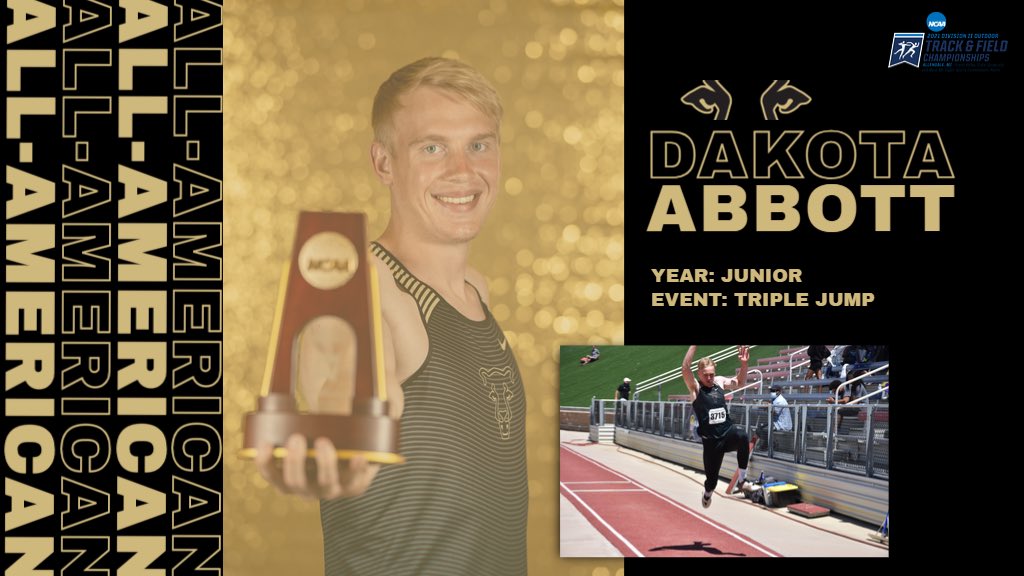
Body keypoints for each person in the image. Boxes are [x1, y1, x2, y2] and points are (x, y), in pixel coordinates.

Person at [256, 57, 526, 575]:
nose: (463, 171)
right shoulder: (365, 288)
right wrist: (333, 447)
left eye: (479, 144)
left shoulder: (474, 290)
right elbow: (345, 376)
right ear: (383, 164)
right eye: (432, 148)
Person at [682, 345, 752, 509]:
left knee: (742, 436)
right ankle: (707, 493)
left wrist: (744, 365)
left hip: (727, 433)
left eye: (711, 374)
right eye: (705, 375)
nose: (709, 378)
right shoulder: (695, 388)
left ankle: (742, 479)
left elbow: (740, 382)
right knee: (711, 482)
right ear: (699, 374)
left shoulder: (719, 381)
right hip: (712, 443)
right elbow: (685, 368)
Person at [757, 384, 792, 449]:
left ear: (778, 392)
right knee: (760, 427)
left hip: (783, 424)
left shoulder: (780, 401)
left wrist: (767, 406)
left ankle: (768, 445)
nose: (772, 392)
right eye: (771, 390)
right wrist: (765, 406)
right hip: (777, 422)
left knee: (764, 429)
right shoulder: (775, 399)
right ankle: (771, 443)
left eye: (773, 391)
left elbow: (775, 413)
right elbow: (771, 410)